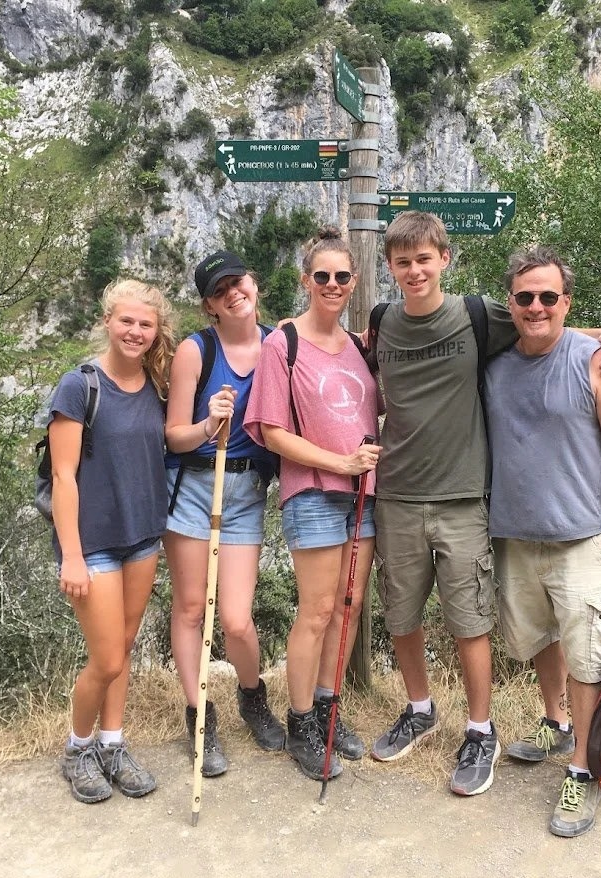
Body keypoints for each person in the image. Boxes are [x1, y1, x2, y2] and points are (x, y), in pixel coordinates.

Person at [367, 211, 601, 797]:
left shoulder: (477, 317)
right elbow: (332, 347)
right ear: (389, 267)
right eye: (403, 261)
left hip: (468, 501)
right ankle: (422, 708)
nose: (414, 270)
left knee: (471, 621)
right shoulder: (381, 321)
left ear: (445, 259)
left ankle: (483, 730)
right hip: (402, 496)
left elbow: (550, 325)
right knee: (403, 615)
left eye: (424, 259)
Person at [486, 245, 601, 837]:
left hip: (583, 537)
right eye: (525, 297)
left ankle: (582, 769)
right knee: (537, 638)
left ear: (566, 303)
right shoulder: (496, 364)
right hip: (515, 536)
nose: (536, 307)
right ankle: (556, 726)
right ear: (511, 303)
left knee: (586, 655)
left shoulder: (595, 361)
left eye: (549, 297)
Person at [244, 228, 383, 781]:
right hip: (313, 494)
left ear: (353, 283)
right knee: (317, 610)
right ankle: (301, 718)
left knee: (348, 606)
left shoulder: (358, 345)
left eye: (341, 277)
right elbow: (272, 431)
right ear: (306, 280)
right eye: (320, 276)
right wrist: (338, 462)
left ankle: (328, 708)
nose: (331, 284)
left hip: (364, 495)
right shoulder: (284, 344)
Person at [49, 278, 177, 804]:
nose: (136, 331)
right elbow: (62, 477)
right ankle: (78, 749)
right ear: (107, 321)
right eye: (127, 321)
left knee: (122, 650)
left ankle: (112, 743)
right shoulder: (79, 386)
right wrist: (73, 557)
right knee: (104, 659)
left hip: (143, 536)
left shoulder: (156, 384)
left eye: (146, 324)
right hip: (94, 543)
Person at [164, 251, 285, 777]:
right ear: (209, 306)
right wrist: (209, 423)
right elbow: (173, 436)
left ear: (253, 283)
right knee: (192, 609)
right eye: (220, 290)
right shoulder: (196, 351)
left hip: (247, 491)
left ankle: (251, 696)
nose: (233, 292)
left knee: (236, 619)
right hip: (196, 485)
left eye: (239, 281)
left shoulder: (280, 345)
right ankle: (198, 715)